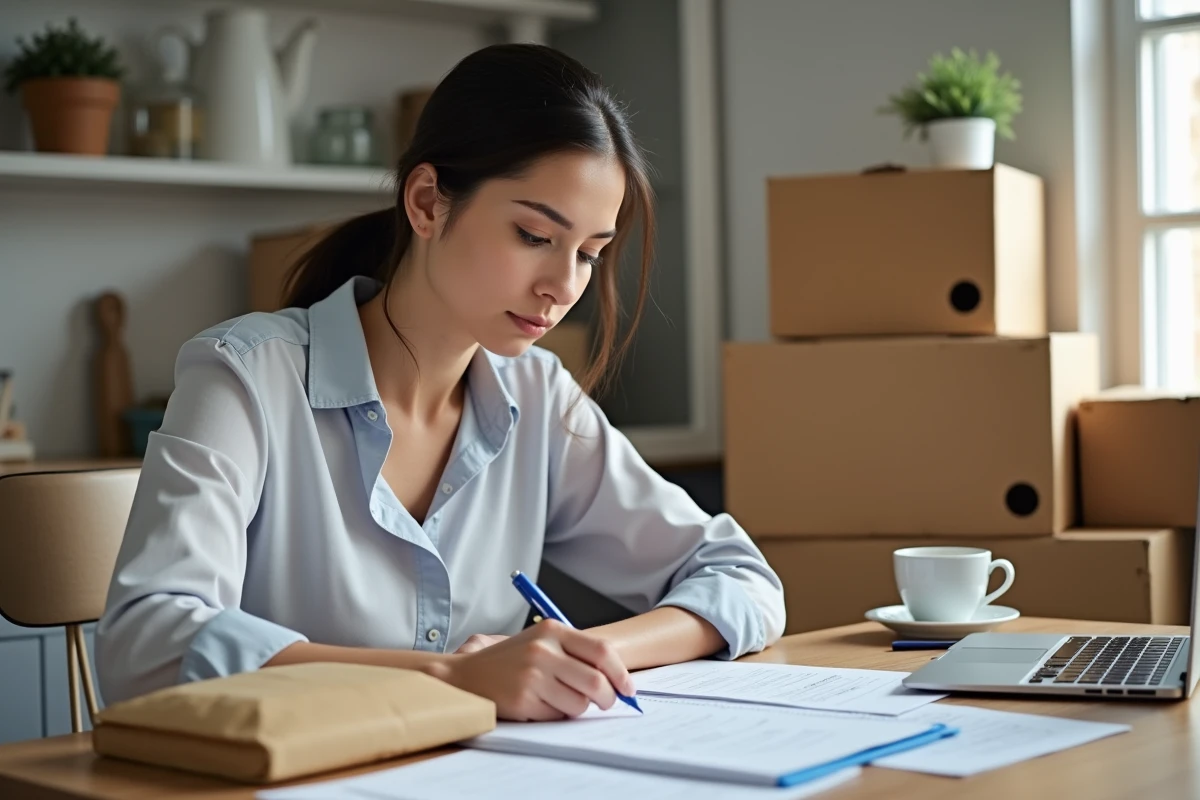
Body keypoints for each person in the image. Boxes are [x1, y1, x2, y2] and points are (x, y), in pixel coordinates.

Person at [97, 43, 785, 721]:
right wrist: (453, 675)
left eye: (590, 254)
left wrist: (577, 655)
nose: (562, 286)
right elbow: (146, 646)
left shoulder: (537, 395)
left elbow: (742, 579)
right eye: (533, 236)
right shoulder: (245, 379)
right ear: (427, 202)